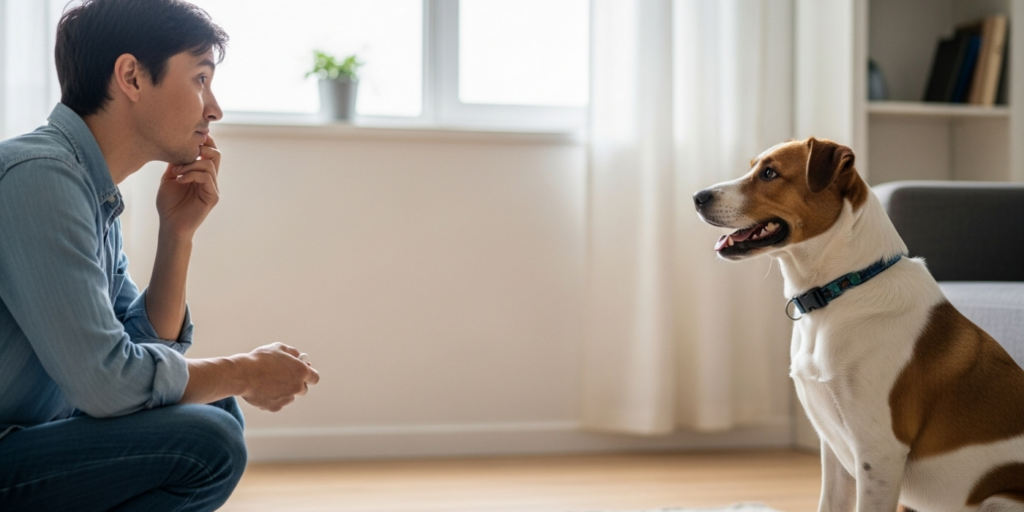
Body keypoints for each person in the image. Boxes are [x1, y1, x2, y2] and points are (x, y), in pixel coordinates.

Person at [0, 0, 320, 510]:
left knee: (214, 409)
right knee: (205, 442)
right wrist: (244, 370)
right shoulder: (39, 177)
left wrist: (177, 234)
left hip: (22, 443)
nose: (213, 107)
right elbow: (108, 384)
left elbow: (145, 352)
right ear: (131, 76)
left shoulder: (86, 190)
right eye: (199, 78)